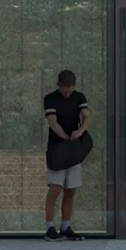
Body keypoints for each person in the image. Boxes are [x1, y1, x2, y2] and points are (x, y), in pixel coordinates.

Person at [43, 69, 91, 241]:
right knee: (55, 188)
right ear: (59, 85)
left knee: (71, 189)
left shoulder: (79, 97)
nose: (67, 92)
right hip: (57, 148)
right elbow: (52, 122)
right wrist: (65, 136)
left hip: (73, 148)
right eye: (64, 88)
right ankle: (49, 227)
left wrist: (80, 131)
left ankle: (66, 225)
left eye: (70, 88)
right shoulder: (50, 98)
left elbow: (86, 116)